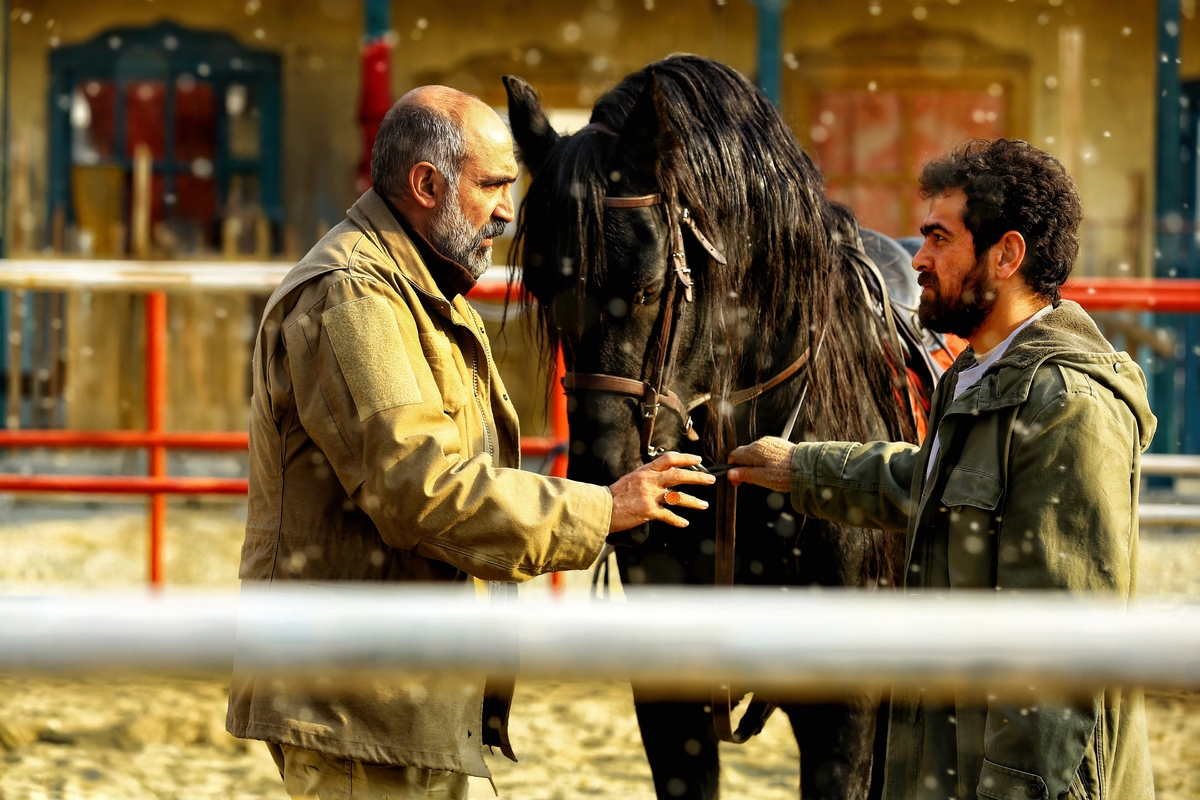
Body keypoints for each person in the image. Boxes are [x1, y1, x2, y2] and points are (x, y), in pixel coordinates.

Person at [225, 86, 714, 800]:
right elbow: (419, 490)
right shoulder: (353, 298)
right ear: (426, 185)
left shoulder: (419, 289)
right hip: (361, 711)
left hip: (403, 704)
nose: (508, 211)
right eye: (492, 185)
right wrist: (601, 511)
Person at [728, 138, 1156, 800]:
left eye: (939, 238)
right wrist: (801, 469)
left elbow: (1062, 649)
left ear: (1007, 255)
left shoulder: (1068, 406)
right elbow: (929, 485)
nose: (917, 258)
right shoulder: (984, 377)